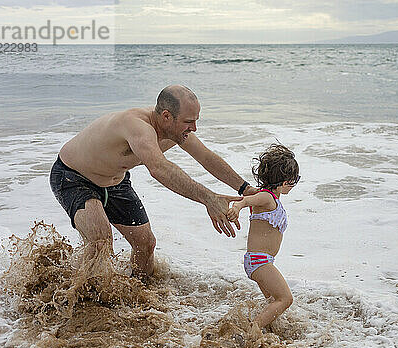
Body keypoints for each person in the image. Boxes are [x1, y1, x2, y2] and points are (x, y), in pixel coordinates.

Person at [50, 85, 257, 278]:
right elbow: (159, 169)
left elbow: (206, 157)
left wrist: (245, 188)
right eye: (188, 121)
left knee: (146, 244)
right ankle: (81, 303)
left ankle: (139, 296)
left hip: (116, 182)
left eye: (196, 120)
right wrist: (208, 198)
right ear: (166, 116)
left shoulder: (176, 131)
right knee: (100, 240)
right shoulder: (137, 127)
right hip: (74, 177)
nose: (194, 128)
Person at [226, 144, 300, 328]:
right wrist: (236, 207)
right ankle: (251, 332)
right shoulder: (266, 197)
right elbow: (246, 200)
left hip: (262, 261)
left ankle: (265, 331)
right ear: (285, 182)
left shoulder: (271, 199)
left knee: (272, 302)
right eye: (294, 179)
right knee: (285, 299)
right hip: (260, 262)